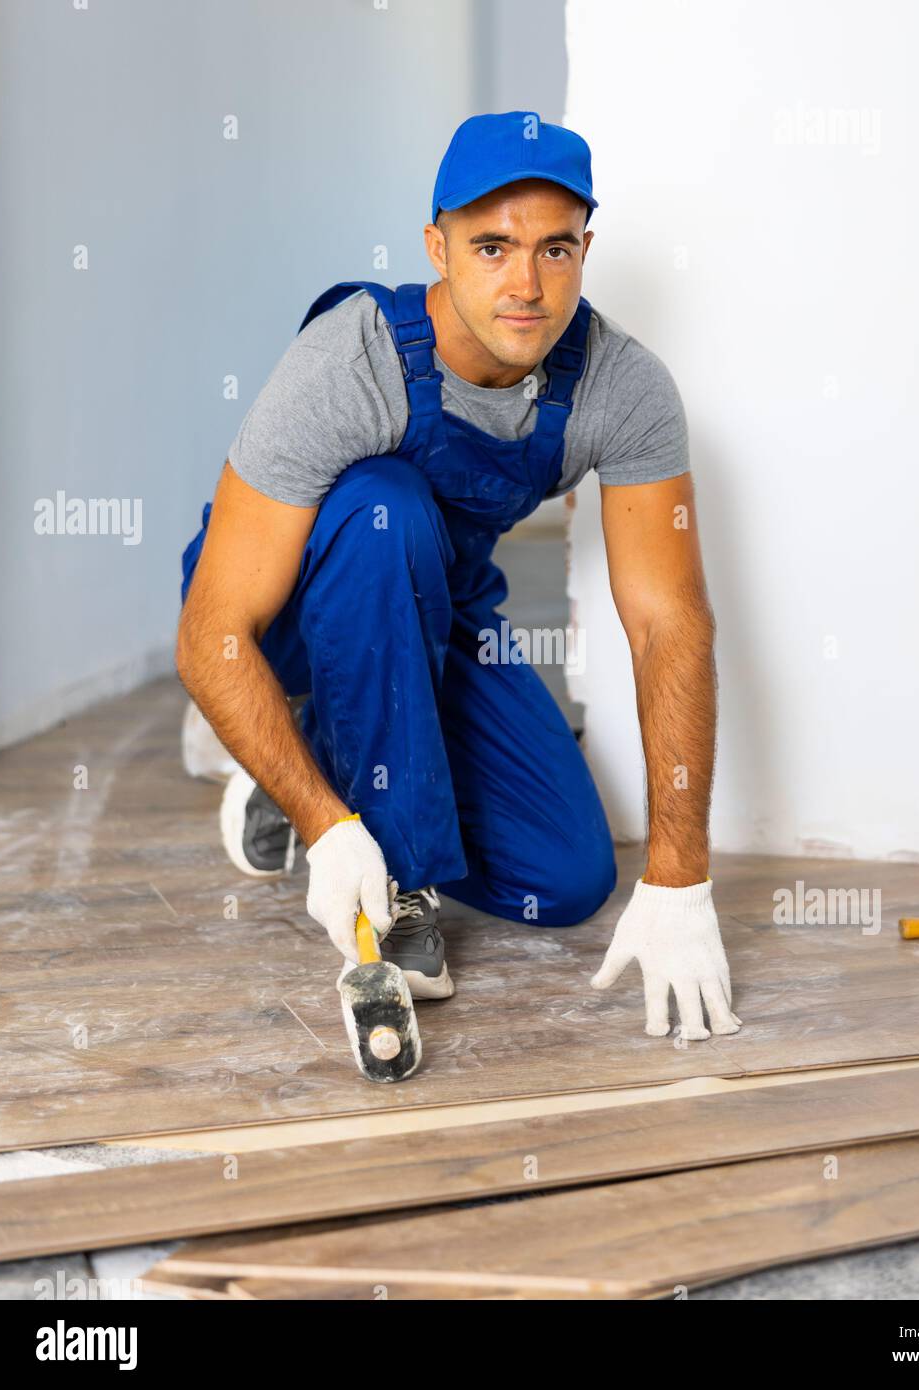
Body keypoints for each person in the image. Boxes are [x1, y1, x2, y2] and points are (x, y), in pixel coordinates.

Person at [176, 111, 740, 1041]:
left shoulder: (622, 388)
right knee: (384, 508)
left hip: (433, 613)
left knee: (565, 881)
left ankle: (311, 755)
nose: (526, 285)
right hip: (286, 625)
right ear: (436, 247)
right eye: (491, 246)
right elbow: (213, 632)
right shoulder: (347, 363)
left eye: (555, 249)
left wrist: (681, 877)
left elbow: (667, 622)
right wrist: (329, 828)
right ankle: (386, 876)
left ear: (585, 251)